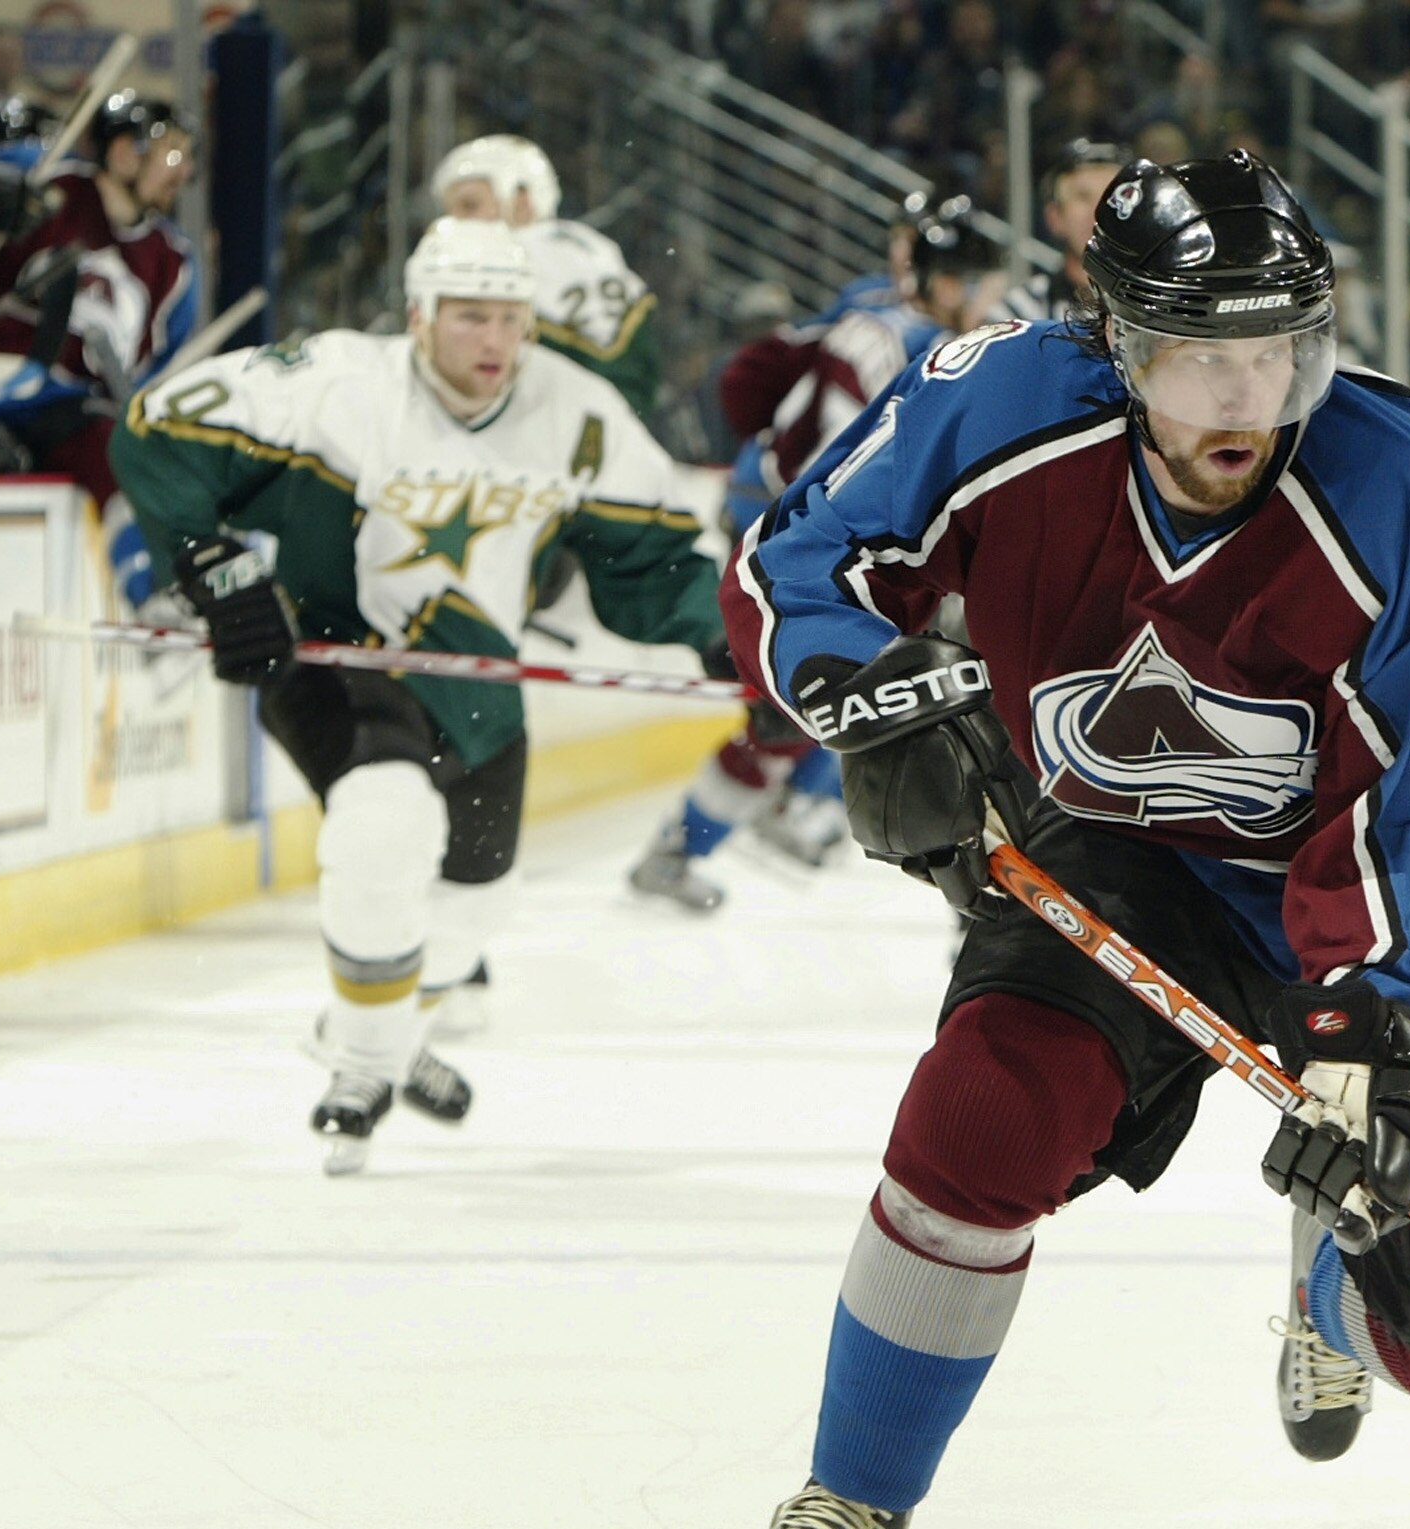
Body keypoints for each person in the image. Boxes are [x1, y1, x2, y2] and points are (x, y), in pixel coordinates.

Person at [711, 154, 1410, 1529]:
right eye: (1202, 357)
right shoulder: (996, 401)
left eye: (1274, 353)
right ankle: (849, 1500)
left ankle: (1333, 1262)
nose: (1243, 401)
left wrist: (1375, 1021)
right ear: (1118, 345)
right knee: (981, 1116)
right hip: (1139, 849)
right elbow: (795, 559)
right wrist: (864, 694)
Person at [109, 219, 725, 1171]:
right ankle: (365, 1067)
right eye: (470, 316)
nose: (494, 341)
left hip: (476, 683)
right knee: (381, 819)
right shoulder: (333, 385)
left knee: (476, 905)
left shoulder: (578, 414)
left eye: (512, 319)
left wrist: (727, 636)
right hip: (333, 653)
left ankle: (376, 1037)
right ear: (420, 315)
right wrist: (219, 574)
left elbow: (652, 556)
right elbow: (153, 431)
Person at [631, 198, 996, 903]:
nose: (990, 298)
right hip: (799, 539)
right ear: (949, 284)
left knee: (853, 695)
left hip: (811, 532)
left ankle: (779, 808)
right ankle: (685, 845)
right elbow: (838, 469)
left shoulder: (899, 326)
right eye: (981, 283)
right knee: (820, 701)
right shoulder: (896, 339)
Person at [0, 92, 198, 593]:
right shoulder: (47, 177)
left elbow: (146, 376)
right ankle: (156, 592)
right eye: (172, 154)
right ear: (124, 153)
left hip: (69, 417)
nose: (183, 171)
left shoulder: (175, 266)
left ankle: (171, 588)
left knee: (132, 447)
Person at [432, 134, 659, 417]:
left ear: (523, 201)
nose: (453, 222)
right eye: (448, 210)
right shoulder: (593, 251)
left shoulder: (522, 263)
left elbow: (617, 377)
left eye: (470, 206)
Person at [1002, 138, 1125, 320]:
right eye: (1083, 197)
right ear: (1055, 217)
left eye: (1111, 197)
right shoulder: (1019, 313)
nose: (1099, 211)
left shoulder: (1161, 305)